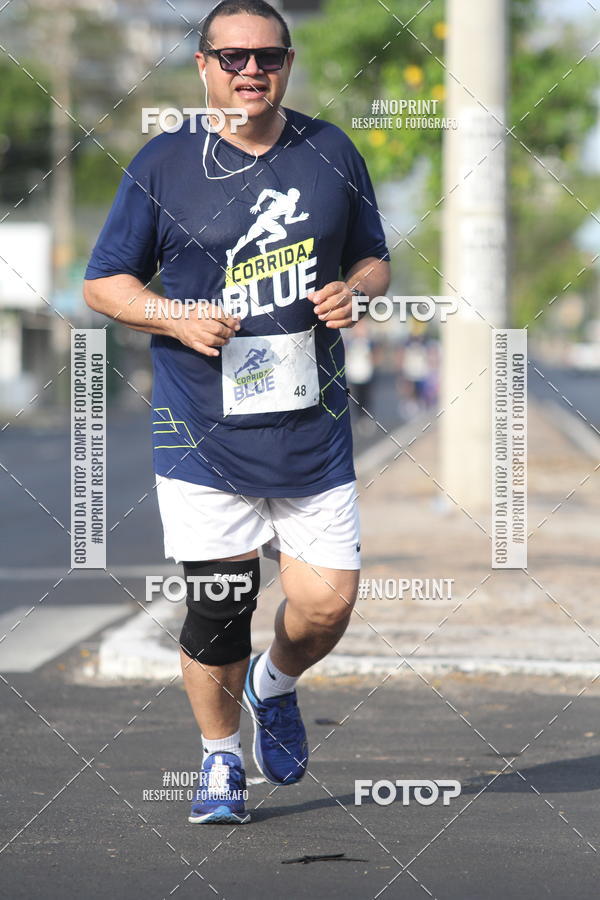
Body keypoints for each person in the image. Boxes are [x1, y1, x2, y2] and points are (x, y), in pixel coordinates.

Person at [84, 0, 390, 825]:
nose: (251, 70)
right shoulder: (163, 162)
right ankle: (219, 759)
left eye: (268, 57)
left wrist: (356, 292)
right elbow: (104, 283)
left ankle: (274, 684)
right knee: (220, 609)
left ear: (287, 63)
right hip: (202, 431)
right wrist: (174, 316)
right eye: (233, 57)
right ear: (203, 66)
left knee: (326, 605)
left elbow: (373, 257)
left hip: (311, 430)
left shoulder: (331, 152)